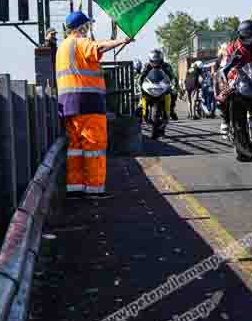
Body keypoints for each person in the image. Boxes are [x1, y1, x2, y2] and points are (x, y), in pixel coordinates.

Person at [56, 11, 131, 199]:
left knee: (75, 147)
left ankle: (75, 188)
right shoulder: (80, 42)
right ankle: (95, 189)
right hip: (88, 102)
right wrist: (121, 41)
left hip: (67, 104)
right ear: (81, 27)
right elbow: (98, 47)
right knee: (94, 146)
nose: (88, 29)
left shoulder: (62, 47)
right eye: (87, 26)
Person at [216, 20, 252, 136]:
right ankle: (225, 120)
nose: (249, 38)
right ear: (240, 35)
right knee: (223, 98)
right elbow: (223, 68)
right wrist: (225, 83)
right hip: (236, 76)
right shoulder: (232, 48)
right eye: (246, 35)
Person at [138, 49, 179, 120]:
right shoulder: (147, 66)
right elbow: (142, 76)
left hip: (163, 86)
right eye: (153, 61)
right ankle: (143, 111)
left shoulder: (166, 66)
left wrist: (174, 85)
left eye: (157, 61)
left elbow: (172, 76)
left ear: (161, 59)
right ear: (150, 60)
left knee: (174, 94)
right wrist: (140, 84)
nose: (156, 63)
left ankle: (171, 110)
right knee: (142, 95)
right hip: (150, 86)